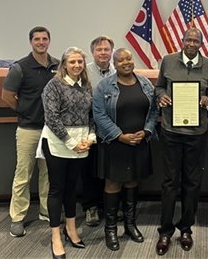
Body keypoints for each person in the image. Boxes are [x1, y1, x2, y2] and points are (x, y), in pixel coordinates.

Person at [154, 27, 208, 255]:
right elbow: (159, 86)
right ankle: (165, 230)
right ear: (182, 41)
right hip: (171, 131)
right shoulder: (168, 61)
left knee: (192, 182)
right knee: (170, 182)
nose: (191, 43)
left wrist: (206, 100)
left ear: (201, 43)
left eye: (196, 40)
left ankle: (186, 228)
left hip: (196, 133)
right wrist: (161, 96)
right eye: (188, 39)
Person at [93, 48, 158, 251]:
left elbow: (154, 110)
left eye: (128, 59)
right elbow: (99, 115)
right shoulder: (104, 86)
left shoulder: (145, 83)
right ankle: (110, 230)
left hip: (139, 142)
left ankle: (130, 225)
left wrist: (147, 131)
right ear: (115, 63)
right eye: (120, 60)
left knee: (132, 181)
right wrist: (119, 135)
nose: (126, 62)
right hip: (115, 143)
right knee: (113, 184)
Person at [1, 26, 59, 238]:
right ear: (31, 42)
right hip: (28, 129)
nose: (41, 42)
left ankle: (46, 210)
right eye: (37, 39)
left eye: (45, 39)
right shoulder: (20, 67)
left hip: (52, 130)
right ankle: (17, 218)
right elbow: (7, 96)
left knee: (48, 173)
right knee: (23, 174)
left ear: (49, 41)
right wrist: (24, 110)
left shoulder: (57, 66)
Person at [41, 47, 96, 259]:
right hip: (58, 143)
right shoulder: (53, 85)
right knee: (57, 189)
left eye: (80, 62)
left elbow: (92, 115)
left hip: (82, 143)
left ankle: (71, 229)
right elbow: (51, 118)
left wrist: (90, 138)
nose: (76, 66)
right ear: (64, 64)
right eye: (72, 62)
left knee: (73, 188)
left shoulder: (87, 85)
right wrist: (71, 143)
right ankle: (56, 235)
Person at [82, 35, 116, 227]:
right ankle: (91, 207)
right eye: (99, 50)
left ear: (111, 52)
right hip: (90, 129)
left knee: (110, 170)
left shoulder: (117, 70)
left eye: (106, 49)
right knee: (90, 170)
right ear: (93, 52)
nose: (103, 53)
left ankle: (109, 206)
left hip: (112, 130)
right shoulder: (84, 72)